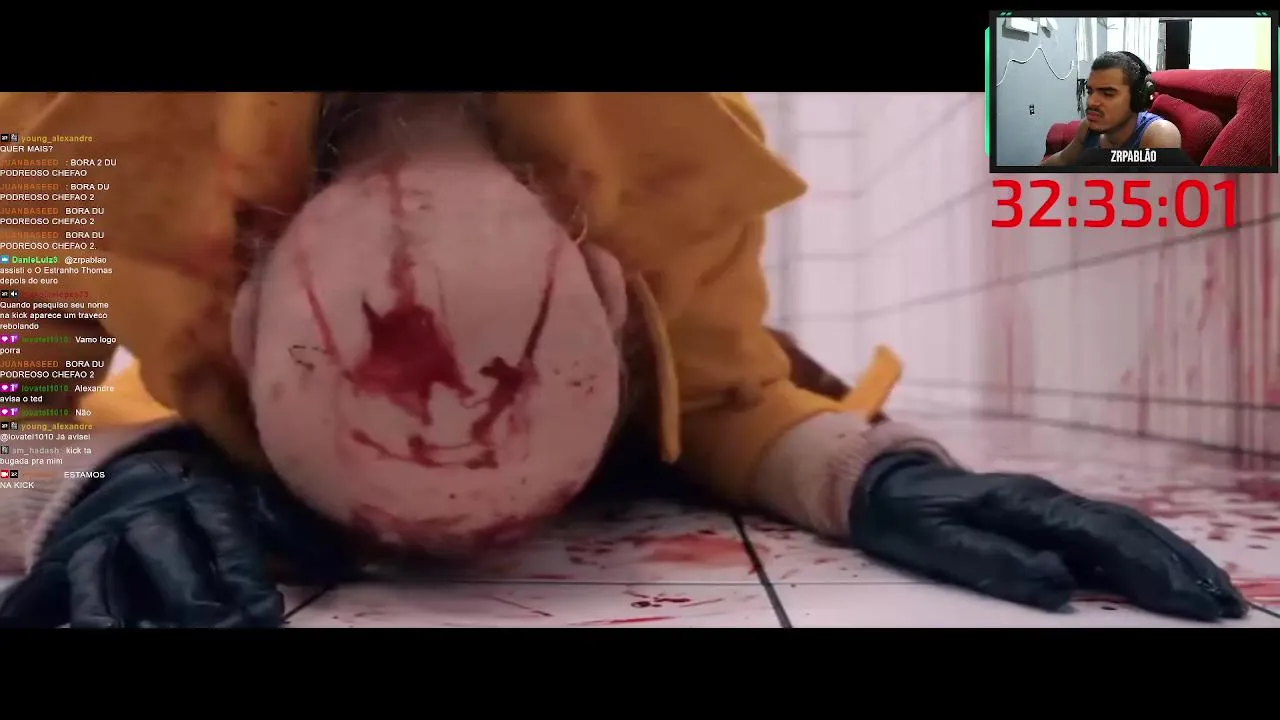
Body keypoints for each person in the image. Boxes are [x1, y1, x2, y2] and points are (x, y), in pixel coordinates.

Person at [0, 92, 1247, 628]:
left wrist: (79, 471)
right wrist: (865, 473)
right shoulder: (678, 185)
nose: (452, 400)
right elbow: (719, 392)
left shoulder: (75, 142)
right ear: (609, 288)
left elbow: (718, 391)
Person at [1042, 50, 1183, 166]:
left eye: (1108, 94)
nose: (1091, 102)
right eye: (1090, 91)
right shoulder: (1088, 126)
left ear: (1137, 98)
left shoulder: (1161, 134)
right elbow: (1063, 159)